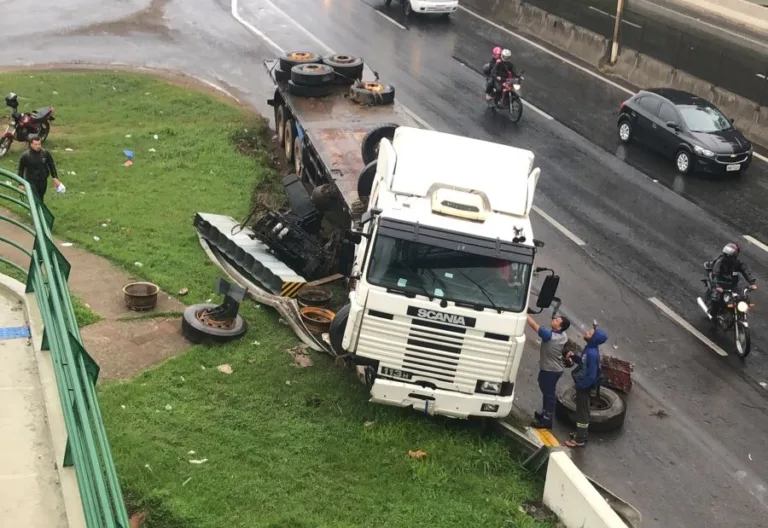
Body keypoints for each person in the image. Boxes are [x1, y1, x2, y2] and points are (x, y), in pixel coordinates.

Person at [563, 325, 607, 448]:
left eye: (589, 332)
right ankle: (580, 434)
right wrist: (573, 356)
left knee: (583, 413)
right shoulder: (589, 349)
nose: (586, 332)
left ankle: (580, 439)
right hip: (583, 385)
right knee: (581, 411)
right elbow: (583, 363)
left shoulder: (592, 353)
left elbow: (591, 375)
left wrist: (581, 386)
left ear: (593, 339)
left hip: (584, 387)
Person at [526, 313, 570, 429]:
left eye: (557, 321)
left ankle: (547, 420)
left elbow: (534, 325)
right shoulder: (563, 335)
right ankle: (545, 414)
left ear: (559, 327)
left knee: (549, 394)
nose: (554, 320)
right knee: (545, 389)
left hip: (551, 370)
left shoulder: (550, 336)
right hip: (553, 368)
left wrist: (524, 313)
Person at [707, 242, 757, 317]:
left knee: (743, 298)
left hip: (732, 285)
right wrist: (717, 286)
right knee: (715, 298)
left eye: (730, 256)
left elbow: (746, 272)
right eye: (726, 255)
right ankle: (713, 314)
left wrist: (752, 283)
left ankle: (741, 314)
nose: (727, 257)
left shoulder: (738, 263)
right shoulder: (719, 263)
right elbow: (715, 274)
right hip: (720, 285)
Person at [16, 136, 64, 203]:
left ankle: (39, 211)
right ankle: (34, 212)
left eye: (39, 144)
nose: (38, 146)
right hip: (31, 181)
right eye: (36, 144)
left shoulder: (45, 153)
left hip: (43, 180)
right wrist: (20, 183)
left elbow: (51, 165)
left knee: (41, 197)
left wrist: (55, 177)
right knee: (34, 197)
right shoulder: (25, 156)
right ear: (31, 144)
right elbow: (20, 170)